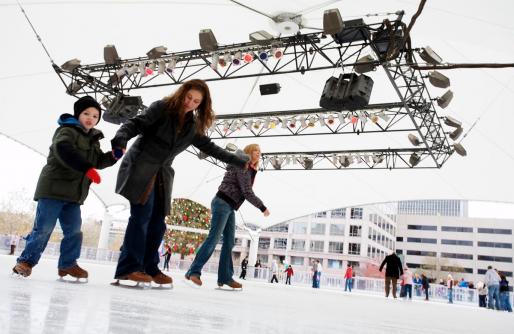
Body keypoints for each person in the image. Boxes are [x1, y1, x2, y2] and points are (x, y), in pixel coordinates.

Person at [110, 79, 251, 286]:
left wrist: (237, 160)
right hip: (141, 166)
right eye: (188, 97)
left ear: (201, 105)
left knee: (158, 223)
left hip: (162, 174)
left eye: (196, 101)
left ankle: (150, 267)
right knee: (141, 217)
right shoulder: (162, 108)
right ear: (181, 94)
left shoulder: (191, 126)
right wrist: (120, 139)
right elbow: (136, 123)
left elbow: (210, 147)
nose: (190, 103)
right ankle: (128, 268)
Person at [12, 96, 117, 280]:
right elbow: (63, 150)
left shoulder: (93, 139)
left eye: (95, 115)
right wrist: (86, 169)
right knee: (44, 228)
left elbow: (98, 161)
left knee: (74, 231)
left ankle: (68, 265)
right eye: (86, 113)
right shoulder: (66, 131)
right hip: (52, 189)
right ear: (78, 115)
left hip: (74, 195)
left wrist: (114, 155)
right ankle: (26, 262)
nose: (90, 118)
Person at [185, 143, 269, 289]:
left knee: (229, 242)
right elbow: (246, 192)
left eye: (260, 152)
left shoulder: (248, 168)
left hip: (229, 206)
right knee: (214, 238)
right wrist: (262, 207)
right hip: (222, 202)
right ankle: (194, 271)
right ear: (249, 152)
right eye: (256, 151)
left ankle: (225, 277)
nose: (259, 154)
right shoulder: (242, 165)